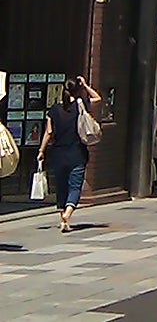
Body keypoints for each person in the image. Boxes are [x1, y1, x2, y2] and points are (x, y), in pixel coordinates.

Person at [37, 76, 100, 233]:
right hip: (77, 153)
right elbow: (97, 98)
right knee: (75, 186)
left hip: (58, 154)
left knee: (62, 186)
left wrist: (41, 151)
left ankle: (63, 220)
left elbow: (49, 132)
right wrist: (85, 85)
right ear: (77, 90)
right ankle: (67, 214)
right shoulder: (80, 105)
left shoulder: (54, 109)